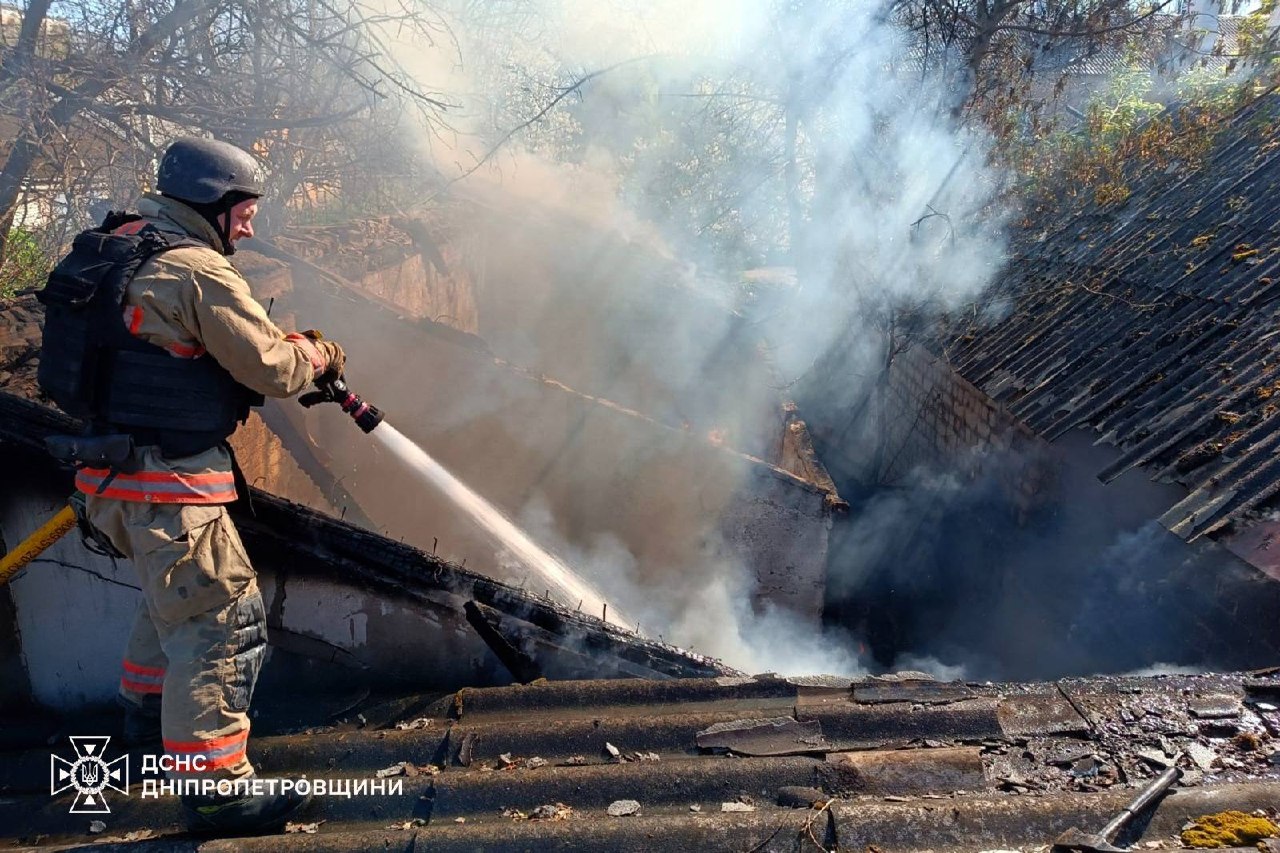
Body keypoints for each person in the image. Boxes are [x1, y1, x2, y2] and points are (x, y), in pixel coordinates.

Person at [37, 137, 345, 834]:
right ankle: (214, 788)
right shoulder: (197, 271)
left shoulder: (113, 246)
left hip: (109, 482)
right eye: (243, 210)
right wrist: (318, 352)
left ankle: (149, 734)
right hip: (168, 486)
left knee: (170, 604)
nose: (249, 225)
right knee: (220, 621)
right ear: (211, 201)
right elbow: (272, 368)